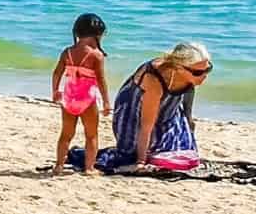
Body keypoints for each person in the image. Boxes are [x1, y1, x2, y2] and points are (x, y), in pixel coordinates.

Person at [95, 42, 212, 173]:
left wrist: (188, 118)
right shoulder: (154, 78)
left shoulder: (190, 73)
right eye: (198, 72)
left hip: (168, 107)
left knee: (180, 150)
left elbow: (189, 88)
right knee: (130, 154)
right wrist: (140, 162)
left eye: (208, 69)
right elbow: (146, 125)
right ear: (179, 67)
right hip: (135, 109)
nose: (204, 76)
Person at [51, 14, 111, 175]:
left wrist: (55, 91)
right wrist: (106, 102)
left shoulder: (67, 52)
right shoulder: (95, 55)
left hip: (69, 97)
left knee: (65, 134)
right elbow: (101, 81)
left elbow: (57, 73)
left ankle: (58, 165)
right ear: (97, 35)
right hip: (87, 99)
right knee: (91, 135)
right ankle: (89, 168)